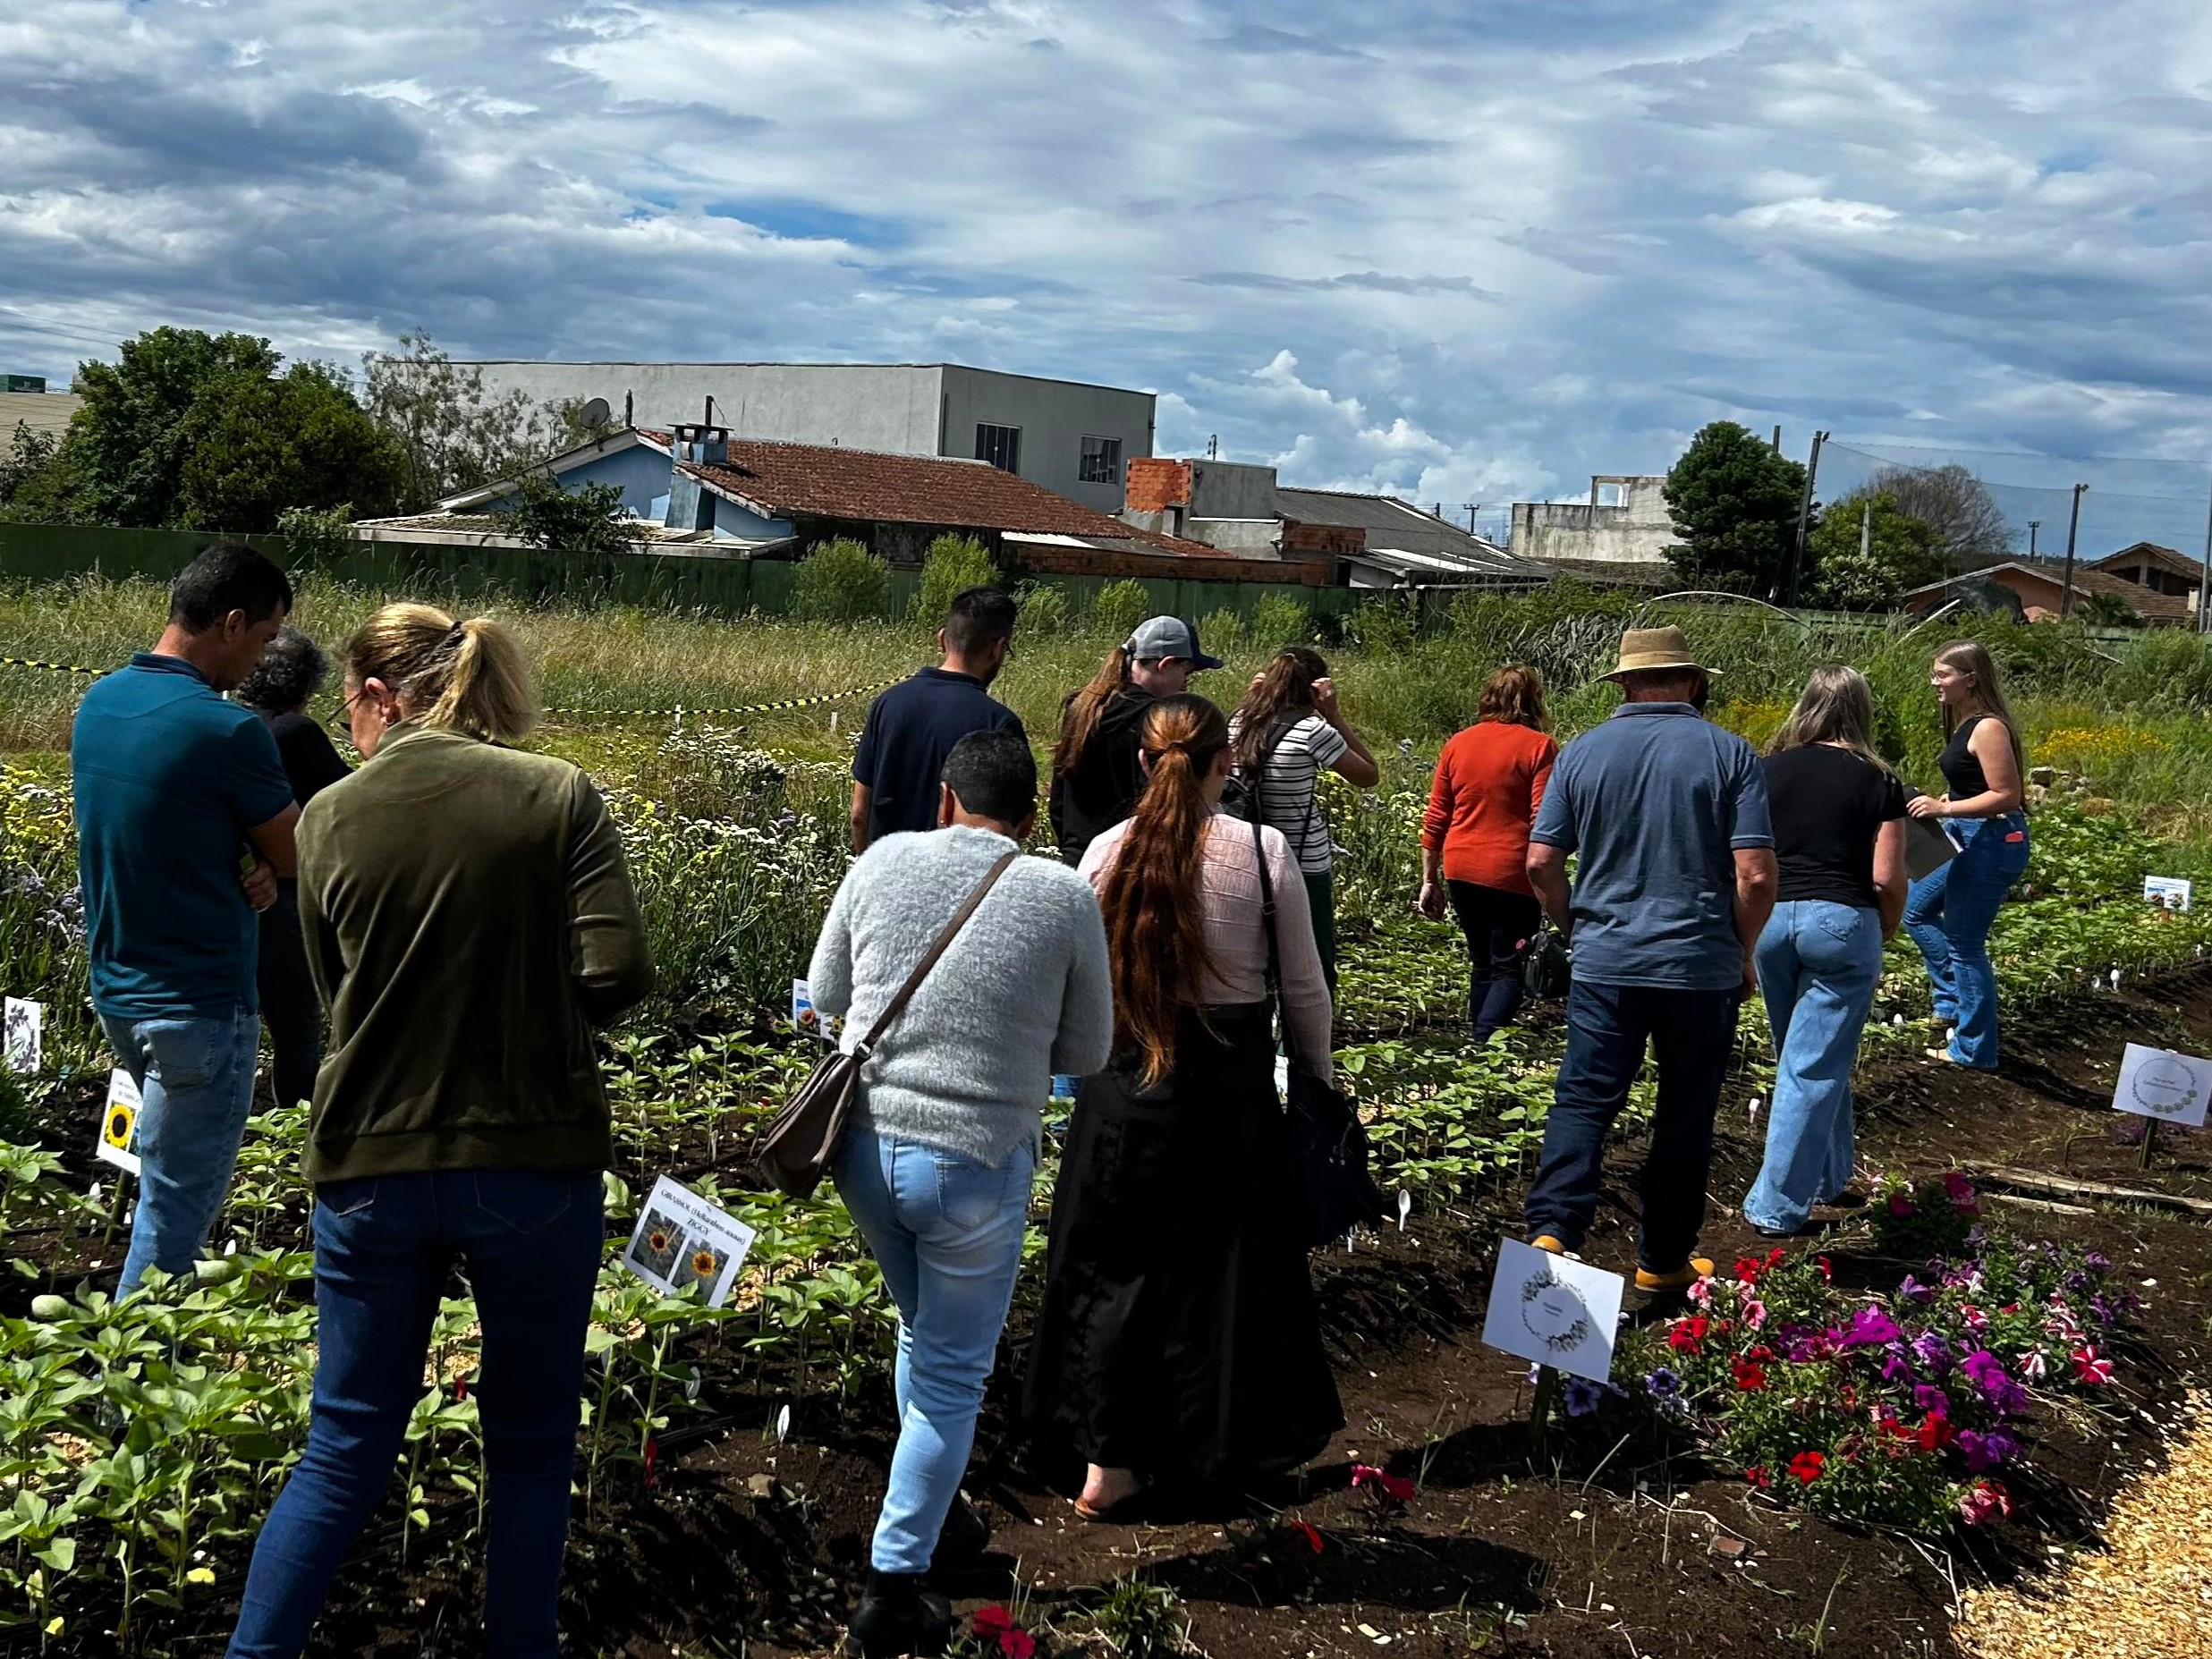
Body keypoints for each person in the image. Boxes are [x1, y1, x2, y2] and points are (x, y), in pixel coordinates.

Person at [226, 604, 652, 1659]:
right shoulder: (553, 793)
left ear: (380, 697)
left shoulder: (327, 816)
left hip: (371, 1153)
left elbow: (340, 993)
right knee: (528, 1446)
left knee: (345, 1446)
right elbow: (615, 971)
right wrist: (536, 1022)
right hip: (529, 1153)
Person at [809, 729, 1111, 1658]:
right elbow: (1087, 1053)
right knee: (950, 1376)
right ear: (1026, 819)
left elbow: (825, 993)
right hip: (975, 1162)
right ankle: (895, 1586)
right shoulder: (1061, 893)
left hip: (862, 1152)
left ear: (944, 800)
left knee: (919, 1329)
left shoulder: (884, 860)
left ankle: (936, 1517)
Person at [1025, 694, 1341, 1519]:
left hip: (1122, 1082)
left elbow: (1067, 982)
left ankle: (1107, 1465)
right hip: (1227, 1089)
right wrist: (1318, 1077)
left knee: (1113, 1267)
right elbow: (1303, 990)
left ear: (1141, 761)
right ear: (1223, 762)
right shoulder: (1265, 854)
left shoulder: (1102, 852)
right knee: (1224, 1272)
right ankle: (1215, 1452)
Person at [72, 543, 301, 1292]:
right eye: (265, 638)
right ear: (231, 622)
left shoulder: (101, 701)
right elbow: (299, 851)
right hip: (199, 1004)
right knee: (174, 1213)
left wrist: (245, 858)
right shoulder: (225, 729)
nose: (264, 660)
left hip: (120, 989)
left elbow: (157, 826)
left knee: (161, 1188)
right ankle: (132, 1382)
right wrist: (270, 860)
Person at [1521, 628, 1776, 1292]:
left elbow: (1540, 861)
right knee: (1684, 1110)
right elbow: (1753, 874)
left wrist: (1574, 925)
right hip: (1698, 965)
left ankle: (1552, 1236)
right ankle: (1660, 1262)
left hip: (1606, 960)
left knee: (1582, 1099)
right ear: (1691, 682)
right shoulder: (1729, 753)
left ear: (1626, 683)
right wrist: (1741, 949)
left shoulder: (1581, 752)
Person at [1742, 668, 1909, 1238]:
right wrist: (1884, 929)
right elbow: (1887, 879)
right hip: (1841, 920)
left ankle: (1827, 1176)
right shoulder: (1878, 779)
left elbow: (1746, 859)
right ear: (1861, 712)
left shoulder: (1765, 771)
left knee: (1801, 1055)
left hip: (1771, 922)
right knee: (1812, 1067)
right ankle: (1777, 1206)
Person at [234, 626, 352, 1112]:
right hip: (282, 893)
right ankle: (294, 1118)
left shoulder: (233, 725)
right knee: (296, 1020)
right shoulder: (296, 732)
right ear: (307, 685)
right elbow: (348, 799)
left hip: (236, 887)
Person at [1903, 640, 2030, 1071]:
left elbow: (2008, 796)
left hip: (1991, 840)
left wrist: (1947, 808)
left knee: (1965, 944)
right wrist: (1954, 798)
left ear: (1971, 679)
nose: (1935, 682)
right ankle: (1953, 1002)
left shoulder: (1989, 727)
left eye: (1943, 675)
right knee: (1914, 909)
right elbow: (1981, 784)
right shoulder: (1966, 723)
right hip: (1968, 832)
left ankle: (1975, 1050)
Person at [1416, 665, 1558, 1043]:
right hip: (1510, 870)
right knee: (1510, 968)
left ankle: (1475, 1047)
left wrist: (1429, 879)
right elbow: (1542, 818)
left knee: (1483, 964)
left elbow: (1436, 817)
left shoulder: (1458, 743)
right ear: (1533, 700)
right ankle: (1483, 1043)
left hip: (1461, 867)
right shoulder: (1539, 746)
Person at [1226, 646, 1380, 994]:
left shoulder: (1238, 722)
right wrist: (1334, 715)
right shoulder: (1313, 730)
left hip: (1247, 857)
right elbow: (1368, 774)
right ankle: (1309, 1039)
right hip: (1302, 861)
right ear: (1313, 689)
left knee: (1256, 957)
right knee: (1313, 961)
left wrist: (1248, 701)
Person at [851, 588, 1022, 851]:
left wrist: (866, 870)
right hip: (958, 883)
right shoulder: (999, 722)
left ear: (942, 639)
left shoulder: (888, 703)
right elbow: (1006, 830)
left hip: (885, 874)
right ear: (997, 649)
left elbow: (859, 814)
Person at [1047, 615, 1223, 865]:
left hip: (1077, 858)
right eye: (1186, 674)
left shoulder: (1084, 706)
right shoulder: (1155, 720)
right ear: (1166, 664)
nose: (1185, 686)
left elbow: (1059, 796)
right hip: (1127, 863)